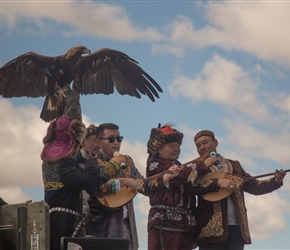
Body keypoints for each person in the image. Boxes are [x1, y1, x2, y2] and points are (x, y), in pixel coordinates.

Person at [85, 123, 181, 250]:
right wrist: (124, 182)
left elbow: (144, 185)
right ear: (98, 141)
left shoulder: (127, 162)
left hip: (127, 228)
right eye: (111, 139)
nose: (116, 143)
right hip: (103, 228)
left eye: (119, 139)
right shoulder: (93, 163)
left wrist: (164, 178)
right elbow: (97, 188)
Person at [41, 116, 125, 250]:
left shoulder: (55, 157)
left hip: (62, 220)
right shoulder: (61, 161)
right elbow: (89, 179)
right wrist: (114, 165)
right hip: (63, 223)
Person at [193, 130, 286, 250]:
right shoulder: (196, 167)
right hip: (209, 230)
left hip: (237, 228)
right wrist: (217, 183)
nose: (202, 147)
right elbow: (191, 187)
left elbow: (254, 186)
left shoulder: (235, 165)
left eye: (205, 143)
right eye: (198, 145)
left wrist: (276, 180)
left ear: (215, 142)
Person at [146, 124, 218, 250]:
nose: (176, 149)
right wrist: (203, 164)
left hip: (186, 227)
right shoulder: (155, 165)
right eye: (171, 146)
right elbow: (177, 177)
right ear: (159, 149)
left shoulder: (181, 166)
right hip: (164, 224)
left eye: (178, 146)